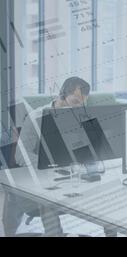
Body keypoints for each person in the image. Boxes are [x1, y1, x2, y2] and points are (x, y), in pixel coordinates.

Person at [3, 77, 91, 236]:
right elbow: (20, 155)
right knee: (48, 198)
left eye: (83, 103)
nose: (79, 107)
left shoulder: (78, 117)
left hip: (68, 177)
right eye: (75, 101)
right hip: (38, 178)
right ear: (61, 95)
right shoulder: (37, 117)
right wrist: (51, 164)